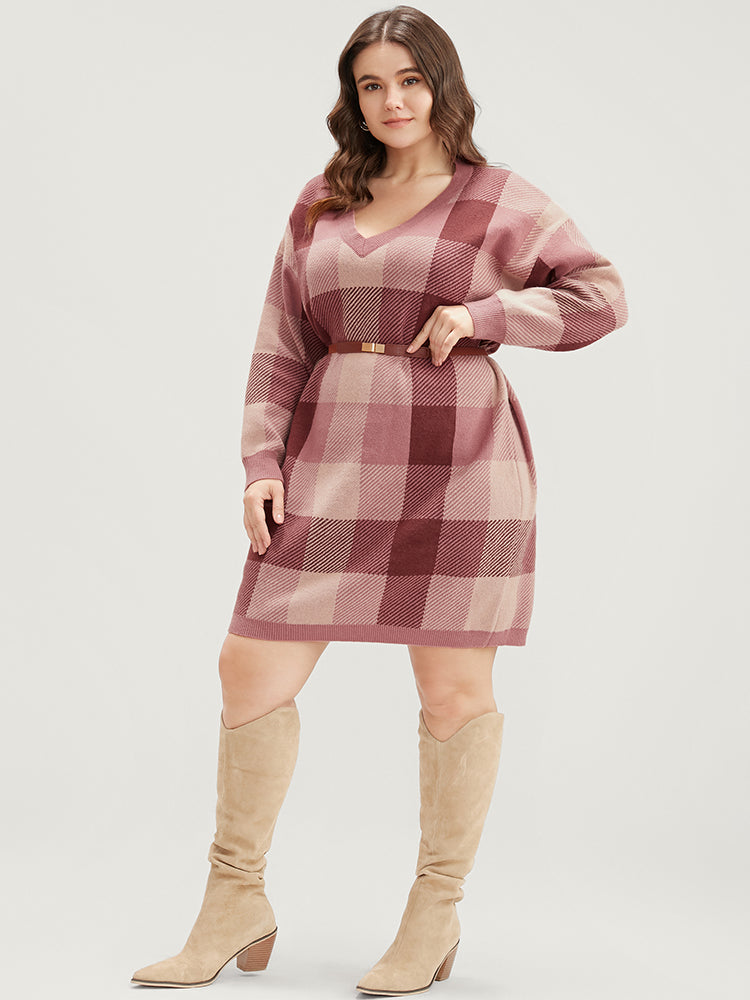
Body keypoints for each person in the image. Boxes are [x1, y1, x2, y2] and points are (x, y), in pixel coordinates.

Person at [131, 4, 628, 993]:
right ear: (352, 99)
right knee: (249, 664)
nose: (393, 100)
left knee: (452, 692)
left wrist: (488, 314)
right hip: (330, 461)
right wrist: (261, 462)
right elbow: (282, 339)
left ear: (443, 85)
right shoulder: (321, 200)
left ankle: (434, 912)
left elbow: (601, 295)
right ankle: (233, 900)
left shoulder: (500, 198)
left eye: (410, 80)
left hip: (459, 466)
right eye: (372, 85)